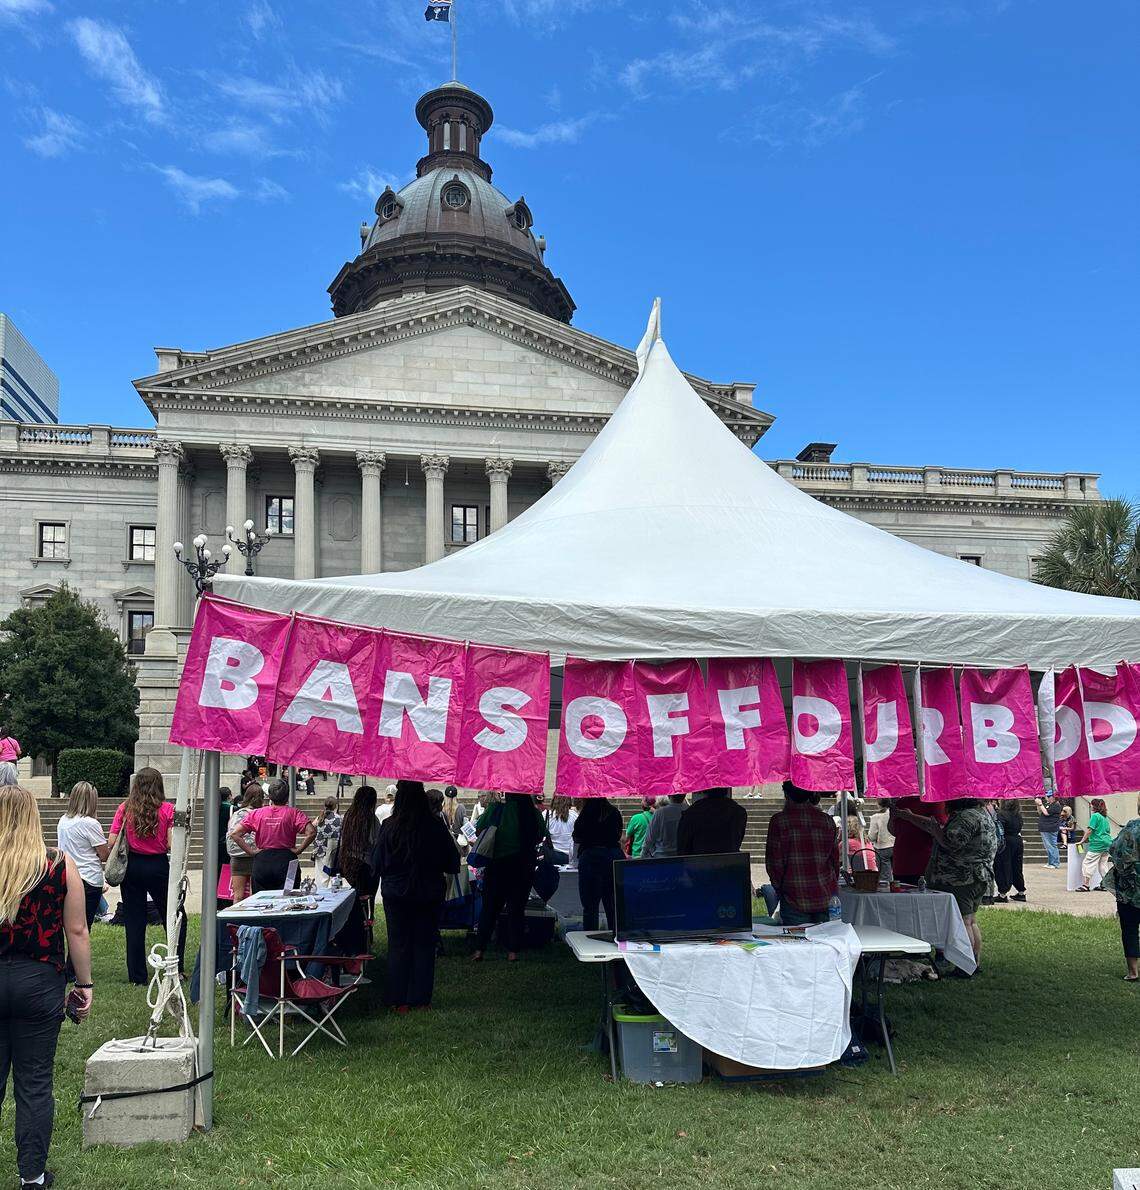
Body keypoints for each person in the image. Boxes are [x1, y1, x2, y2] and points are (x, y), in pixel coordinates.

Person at [0, 784, 93, 1189]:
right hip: (39, 981)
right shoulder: (58, 864)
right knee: (35, 1083)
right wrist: (85, 983)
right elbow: (77, 930)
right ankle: (33, 1176)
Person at [373, 781, 461, 1009]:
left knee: (398, 944)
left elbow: (377, 863)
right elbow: (452, 862)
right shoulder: (435, 826)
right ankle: (420, 998)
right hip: (428, 891)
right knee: (424, 944)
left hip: (396, 892)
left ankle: (398, 998)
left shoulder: (389, 826)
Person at [892, 798, 998, 972]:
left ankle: (965, 966)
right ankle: (974, 963)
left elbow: (951, 843)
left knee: (963, 922)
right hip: (978, 876)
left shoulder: (965, 818)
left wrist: (936, 831)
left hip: (961, 878)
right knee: (971, 920)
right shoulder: (982, 814)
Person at [107, 767, 186, 986]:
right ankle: (176, 966)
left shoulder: (125, 808)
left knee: (134, 920)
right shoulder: (167, 809)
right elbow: (171, 844)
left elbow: (112, 841)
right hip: (158, 865)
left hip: (132, 866)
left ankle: (137, 975)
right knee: (174, 914)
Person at [473, 793, 548, 961]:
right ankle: (513, 951)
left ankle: (479, 950)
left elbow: (479, 830)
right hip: (523, 865)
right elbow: (541, 835)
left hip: (497, 864)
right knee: (517, 908)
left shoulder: (496, 809)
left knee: (489, 907)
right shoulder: (533, 812)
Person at [763, 783, 841, 926]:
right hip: (825, 895)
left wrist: (780, 889)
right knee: (826, 938)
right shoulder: (827, 820)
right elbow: (835, 861)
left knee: (797, 940)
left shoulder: (779, 822)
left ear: (786, 794)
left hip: (793, 896)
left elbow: (774, 864)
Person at [229, 778, 315, 894]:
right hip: (287, 860)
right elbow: (311, 832)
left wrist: (251, 852)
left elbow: (235, 834)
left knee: (260, 900)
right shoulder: (294, 813)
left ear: (269, 796)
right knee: (288, 897)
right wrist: (299, 849)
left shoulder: (257, 813)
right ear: (287, 796)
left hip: (262, 861)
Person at [56, 781, 109, 930]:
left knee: (69, 924)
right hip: (89, 878)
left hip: (68, 876)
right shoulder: (90, 823)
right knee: (84, 926)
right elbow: (104, 855)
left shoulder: (63, 820)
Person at [336, 786, 381, 953]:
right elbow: (375, 842)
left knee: (353, 903)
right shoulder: (370, 819)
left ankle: (351, 935)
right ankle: (365, 937)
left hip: (348, 864)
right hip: (366, 865)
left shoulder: (348, 816)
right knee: (367, 904)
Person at [572, 798, 624, 932]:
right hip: (613, 857)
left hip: (590, 858)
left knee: (590, 906)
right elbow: (618, 834)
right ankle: (616, 934)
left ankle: (589, 936)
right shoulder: (614, 812)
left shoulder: (586, 813)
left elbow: (576, 836)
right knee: (612, 904)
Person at [1103, 814, 1140, 981]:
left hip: (1130, 888)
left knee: (1130, 928)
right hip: (1131, 887)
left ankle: (1133, 972)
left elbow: (1114, 849)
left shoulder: (1131, 828)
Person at [888, 797, 949, 884]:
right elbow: (894, 832)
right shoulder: (901, 802)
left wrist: (911, 817)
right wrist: (892, 817)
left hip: (923, 863)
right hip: (900, 863)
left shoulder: (934, 801)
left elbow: (940, 827)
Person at [676, 788, 747, 856]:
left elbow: (682, 848)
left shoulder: (691, 813)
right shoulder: (738, 812)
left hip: (698, 862)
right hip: (730, 861)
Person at [225, 783, 264, 903]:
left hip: (237, 858)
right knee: (254, 895)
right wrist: (251, 851)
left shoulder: (236, 813)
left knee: (238, 896)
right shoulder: (258, 813)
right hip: (254, 856)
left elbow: (232, 834)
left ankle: (236, 915)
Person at [1077, 799, 1114, 892]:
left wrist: (1082, 841)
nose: (1090, 806)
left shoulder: (1095, 816)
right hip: (1107, 843)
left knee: (1088, 863)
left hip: (1097, 844)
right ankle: (1105, 885)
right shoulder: (1104, 818)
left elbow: (1090, 830)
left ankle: (1086, 885)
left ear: (1095, 806)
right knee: (1103, 865)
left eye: (1092, 804)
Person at [993, 801, 1026, 903]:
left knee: (1003, 866)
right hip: (1017, 841)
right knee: (1017, 867)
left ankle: (1002, 894)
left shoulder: (1001, 814)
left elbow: (999, 829)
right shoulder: (1018, 815)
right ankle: (1021, 892)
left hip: (1006, 842)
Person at [641, 794, 686, 860]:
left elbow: (650, 837)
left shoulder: (660, 812)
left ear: (669, 795)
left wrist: (643, 854)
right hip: (683, 856)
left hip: (662, 856)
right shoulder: (688, 810)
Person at [312, 798, 343, 888]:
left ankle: (321, 894)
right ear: (336, 806)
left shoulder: (319, 818)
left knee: (321, 877)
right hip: (335, 851)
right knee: (336, 876)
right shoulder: (339, 818)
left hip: (320, 849)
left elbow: (312, 828)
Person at [544, 795, 577, 864]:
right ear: (569, 801)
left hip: (552, 855)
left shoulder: (546, 814)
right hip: (571, 856)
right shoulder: (574, 815)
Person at [867, 801, 895, 882]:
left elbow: (872, 836)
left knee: (885, 877)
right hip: (895, 845)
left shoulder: (876, 817)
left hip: (882, 847)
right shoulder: (894, 814)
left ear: (878, 804)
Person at [1035, 793, 1063, 869]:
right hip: (1045, 828)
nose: (1046, 797)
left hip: (1050, 828)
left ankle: (1055, 863)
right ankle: (1050, 862)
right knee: (1048, 846)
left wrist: (1040, 804)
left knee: (1052, 846)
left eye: (1048, 796)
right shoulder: (1048, 804)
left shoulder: (1056, 805)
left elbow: (1046, 813)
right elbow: (1040, 812)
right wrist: (1038, 805)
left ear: (1053, 797)